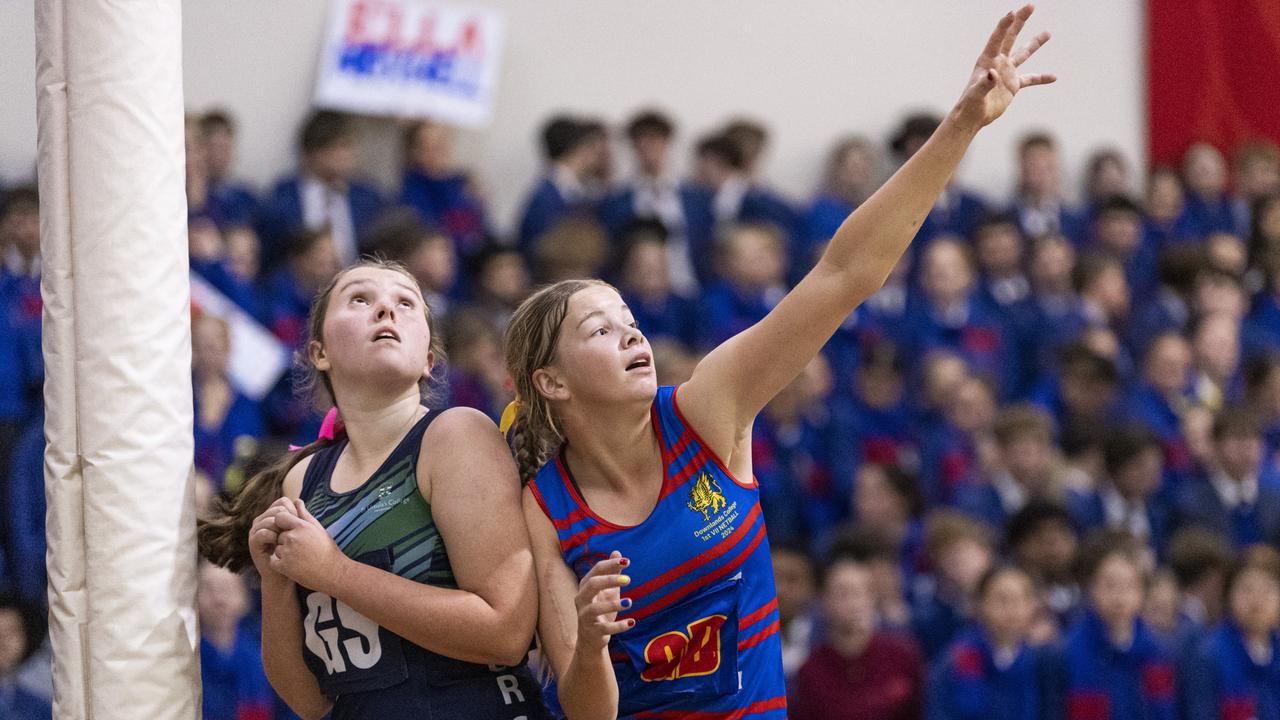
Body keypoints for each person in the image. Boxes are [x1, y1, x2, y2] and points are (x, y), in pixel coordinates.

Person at [503, 8, 1054, 718]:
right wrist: (586, 641)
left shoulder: (708, 409)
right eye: (600, 330)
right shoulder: (546, 508)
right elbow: (587, 714)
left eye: (631, 321)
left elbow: (843, 273)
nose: (633, 336)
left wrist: (962, 125)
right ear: (550, 382)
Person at [198, 259, 548, 720]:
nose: (386, 309)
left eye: (406, 303)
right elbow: (309, 701)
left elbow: (506, 631)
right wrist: (277, 586)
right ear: (320, 352)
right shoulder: (302, 479)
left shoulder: (456, 434)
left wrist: (335, 573)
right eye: (360, 299)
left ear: (429, 360)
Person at [790, 552, 924, 720]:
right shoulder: (811, 671)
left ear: (872, 598)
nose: (852, 603)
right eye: (842, 594)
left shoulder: (903, 655)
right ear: (825, 602)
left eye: (858, 593)